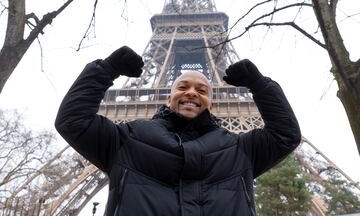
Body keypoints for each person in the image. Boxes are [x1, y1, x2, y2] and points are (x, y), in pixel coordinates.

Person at [55, 46, 301, 216]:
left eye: (202, 90)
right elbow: (73, 121)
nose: (192, 92)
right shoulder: (128, 140)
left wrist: (260, 85)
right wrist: (105, 69)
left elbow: (285, 134)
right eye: (182, 87)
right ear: (169, 98)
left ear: (211, 103)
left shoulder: (238, 149)